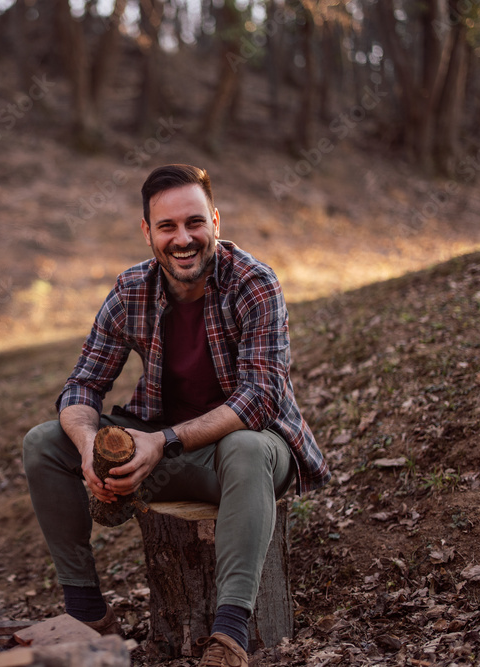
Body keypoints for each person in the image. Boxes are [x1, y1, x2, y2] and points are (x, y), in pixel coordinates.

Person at [23, 164, 330, 666]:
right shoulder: (132, 291)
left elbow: (259, 398)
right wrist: (87, 451)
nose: (182, 239)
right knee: (43, 442)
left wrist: (161, 442)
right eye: (166, 227)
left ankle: (230, 636)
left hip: (245, 457)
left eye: (194, 223)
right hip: (164, 452)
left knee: (247, 445)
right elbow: (82, 384)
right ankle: (87, 614)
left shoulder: (253, 282)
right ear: (148, 232)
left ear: (214, 220)